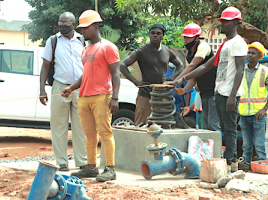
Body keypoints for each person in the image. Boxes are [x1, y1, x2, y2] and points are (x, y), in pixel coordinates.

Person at [169, 7, 248, 173]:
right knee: (223, 128)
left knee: (229, 129)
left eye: (226, 21)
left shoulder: (239, 43)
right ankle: (227, 161)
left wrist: (233, 96)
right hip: (219, 92)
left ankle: (229, 163)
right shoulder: (225, 44)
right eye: (222, 21)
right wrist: (182, 79)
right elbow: (206, 66)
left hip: (229, 94)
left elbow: (240, 70)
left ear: (235, 22)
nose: (222, 24)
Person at [61, 10, 120, 182]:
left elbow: (116, 73)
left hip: (102, 96)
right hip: (84, 97)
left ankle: (110, 168)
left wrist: (115, 97)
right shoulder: (85, 50)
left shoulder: (108, 47)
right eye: (81, 28)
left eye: (85, 28)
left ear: (95, 27)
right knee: (89, 134)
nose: (82, 31)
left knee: (105, 132)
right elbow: (85, 75)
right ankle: (91, 167)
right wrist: (71, 88)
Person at [40, 12, 87, 171]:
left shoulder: (82, 40)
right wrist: (42, 90)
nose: (62, 27)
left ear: (73, 24)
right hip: (60, 87)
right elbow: (45, 66)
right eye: (60, 24)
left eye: (66, 24)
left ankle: (82, 162)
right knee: (59, 126)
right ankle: (62, 162)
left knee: (80, 126)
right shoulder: (52, 41)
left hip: (80, 88)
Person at [120, 23, 183, 126]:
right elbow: (122, 65)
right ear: (149, 35)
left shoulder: (167, 51)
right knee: (141, 124)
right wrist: (136, 82)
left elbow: (180, 65)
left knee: (162, 124)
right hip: (145, 94)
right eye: (152, 33)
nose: (155, 35)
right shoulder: (141, 51)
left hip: (162, 94)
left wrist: (171, 78)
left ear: (162, 36)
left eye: (158, 33)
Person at [169, 23, 220, 131]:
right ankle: (211, 147)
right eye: (185, 37)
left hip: (214, 90)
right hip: (204, 92)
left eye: (189, 37)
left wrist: (176, 81)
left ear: (197, 37)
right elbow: (193, 76)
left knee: (213, 124)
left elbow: (192, 66)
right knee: (207, 124)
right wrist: (185, 89)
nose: (186, 40)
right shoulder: (189, 54)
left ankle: (218, 147)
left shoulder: (203, 47)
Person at [238, 42, 268, 170]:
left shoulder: (265, 71)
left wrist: (264, 109)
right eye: (249, 52)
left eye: (253, 53)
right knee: (246, 144)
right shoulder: (241, 70)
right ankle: (246, 166)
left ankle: (261, 167)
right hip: (243, 113)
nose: (250, 55)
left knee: (259, 144)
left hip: (258, 114)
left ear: (259, 55)